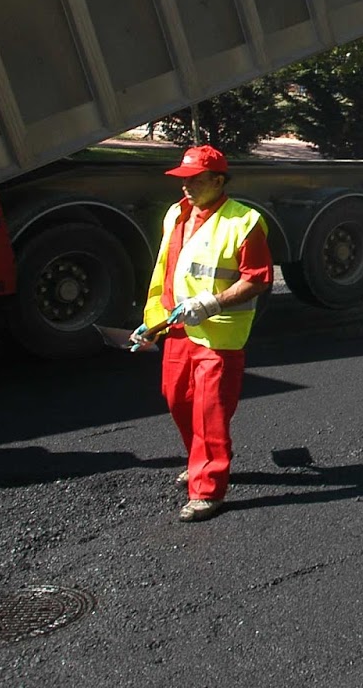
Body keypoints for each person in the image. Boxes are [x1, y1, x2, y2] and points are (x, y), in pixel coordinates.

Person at [132, 145, 272, 523]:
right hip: (178, 329)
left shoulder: (244, 222)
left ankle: (207, 489)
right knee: (177, 399)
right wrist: (153, 323)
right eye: (183, 180)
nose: (186, 187)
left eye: (195, 180)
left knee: (210, 411)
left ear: (218, 180)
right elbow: (165, 271)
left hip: (220, 336)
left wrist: (211, 304)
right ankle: (199, 460)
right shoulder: (176, 215)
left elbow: (257, 280)